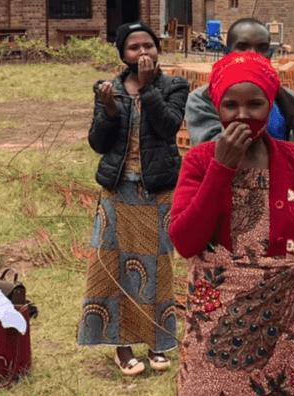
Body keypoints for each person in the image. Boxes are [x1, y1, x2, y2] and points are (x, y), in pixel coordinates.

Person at [169, 51, 294, 395]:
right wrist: (221, 168)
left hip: (293, 326)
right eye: (230, 106)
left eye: (255, 104)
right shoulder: (199, 161)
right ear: (215, 108)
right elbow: (184, 241)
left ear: (271, 106)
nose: (243, 115)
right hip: (218, 328)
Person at [78, 21, 189, 376]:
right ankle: (120, 346)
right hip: (118, 191)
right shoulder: (108, 88)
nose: (143, 53)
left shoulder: (175, 85)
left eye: (149, 46)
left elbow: (169, 127)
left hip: (157, 192)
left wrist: (147, 89)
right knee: (112, 267)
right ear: (123, 55)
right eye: (133, 47)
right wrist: (109, 109)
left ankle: (158, 342)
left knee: (157, 266)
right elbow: (98, 143)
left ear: (158, 49)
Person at [185, 18, 294, 171]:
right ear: (227, 52)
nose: (253, 55)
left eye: (262, 48)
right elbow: (213, 150)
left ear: (270, 55)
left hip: (284, 189)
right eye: (243, 47)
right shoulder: (202, 99)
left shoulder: (288, 100)